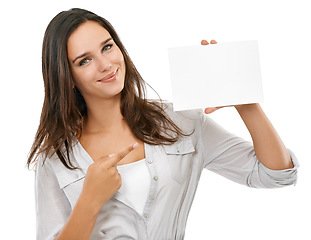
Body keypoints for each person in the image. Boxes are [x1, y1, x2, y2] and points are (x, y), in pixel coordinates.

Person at [27, 8, 298, 240]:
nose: (105, 64)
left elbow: (276, 174)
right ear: (68, 77)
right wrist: (89, 201)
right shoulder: (55, 158)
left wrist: (246, 103)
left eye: (107, 47)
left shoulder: (180, 123)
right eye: (84, 60)